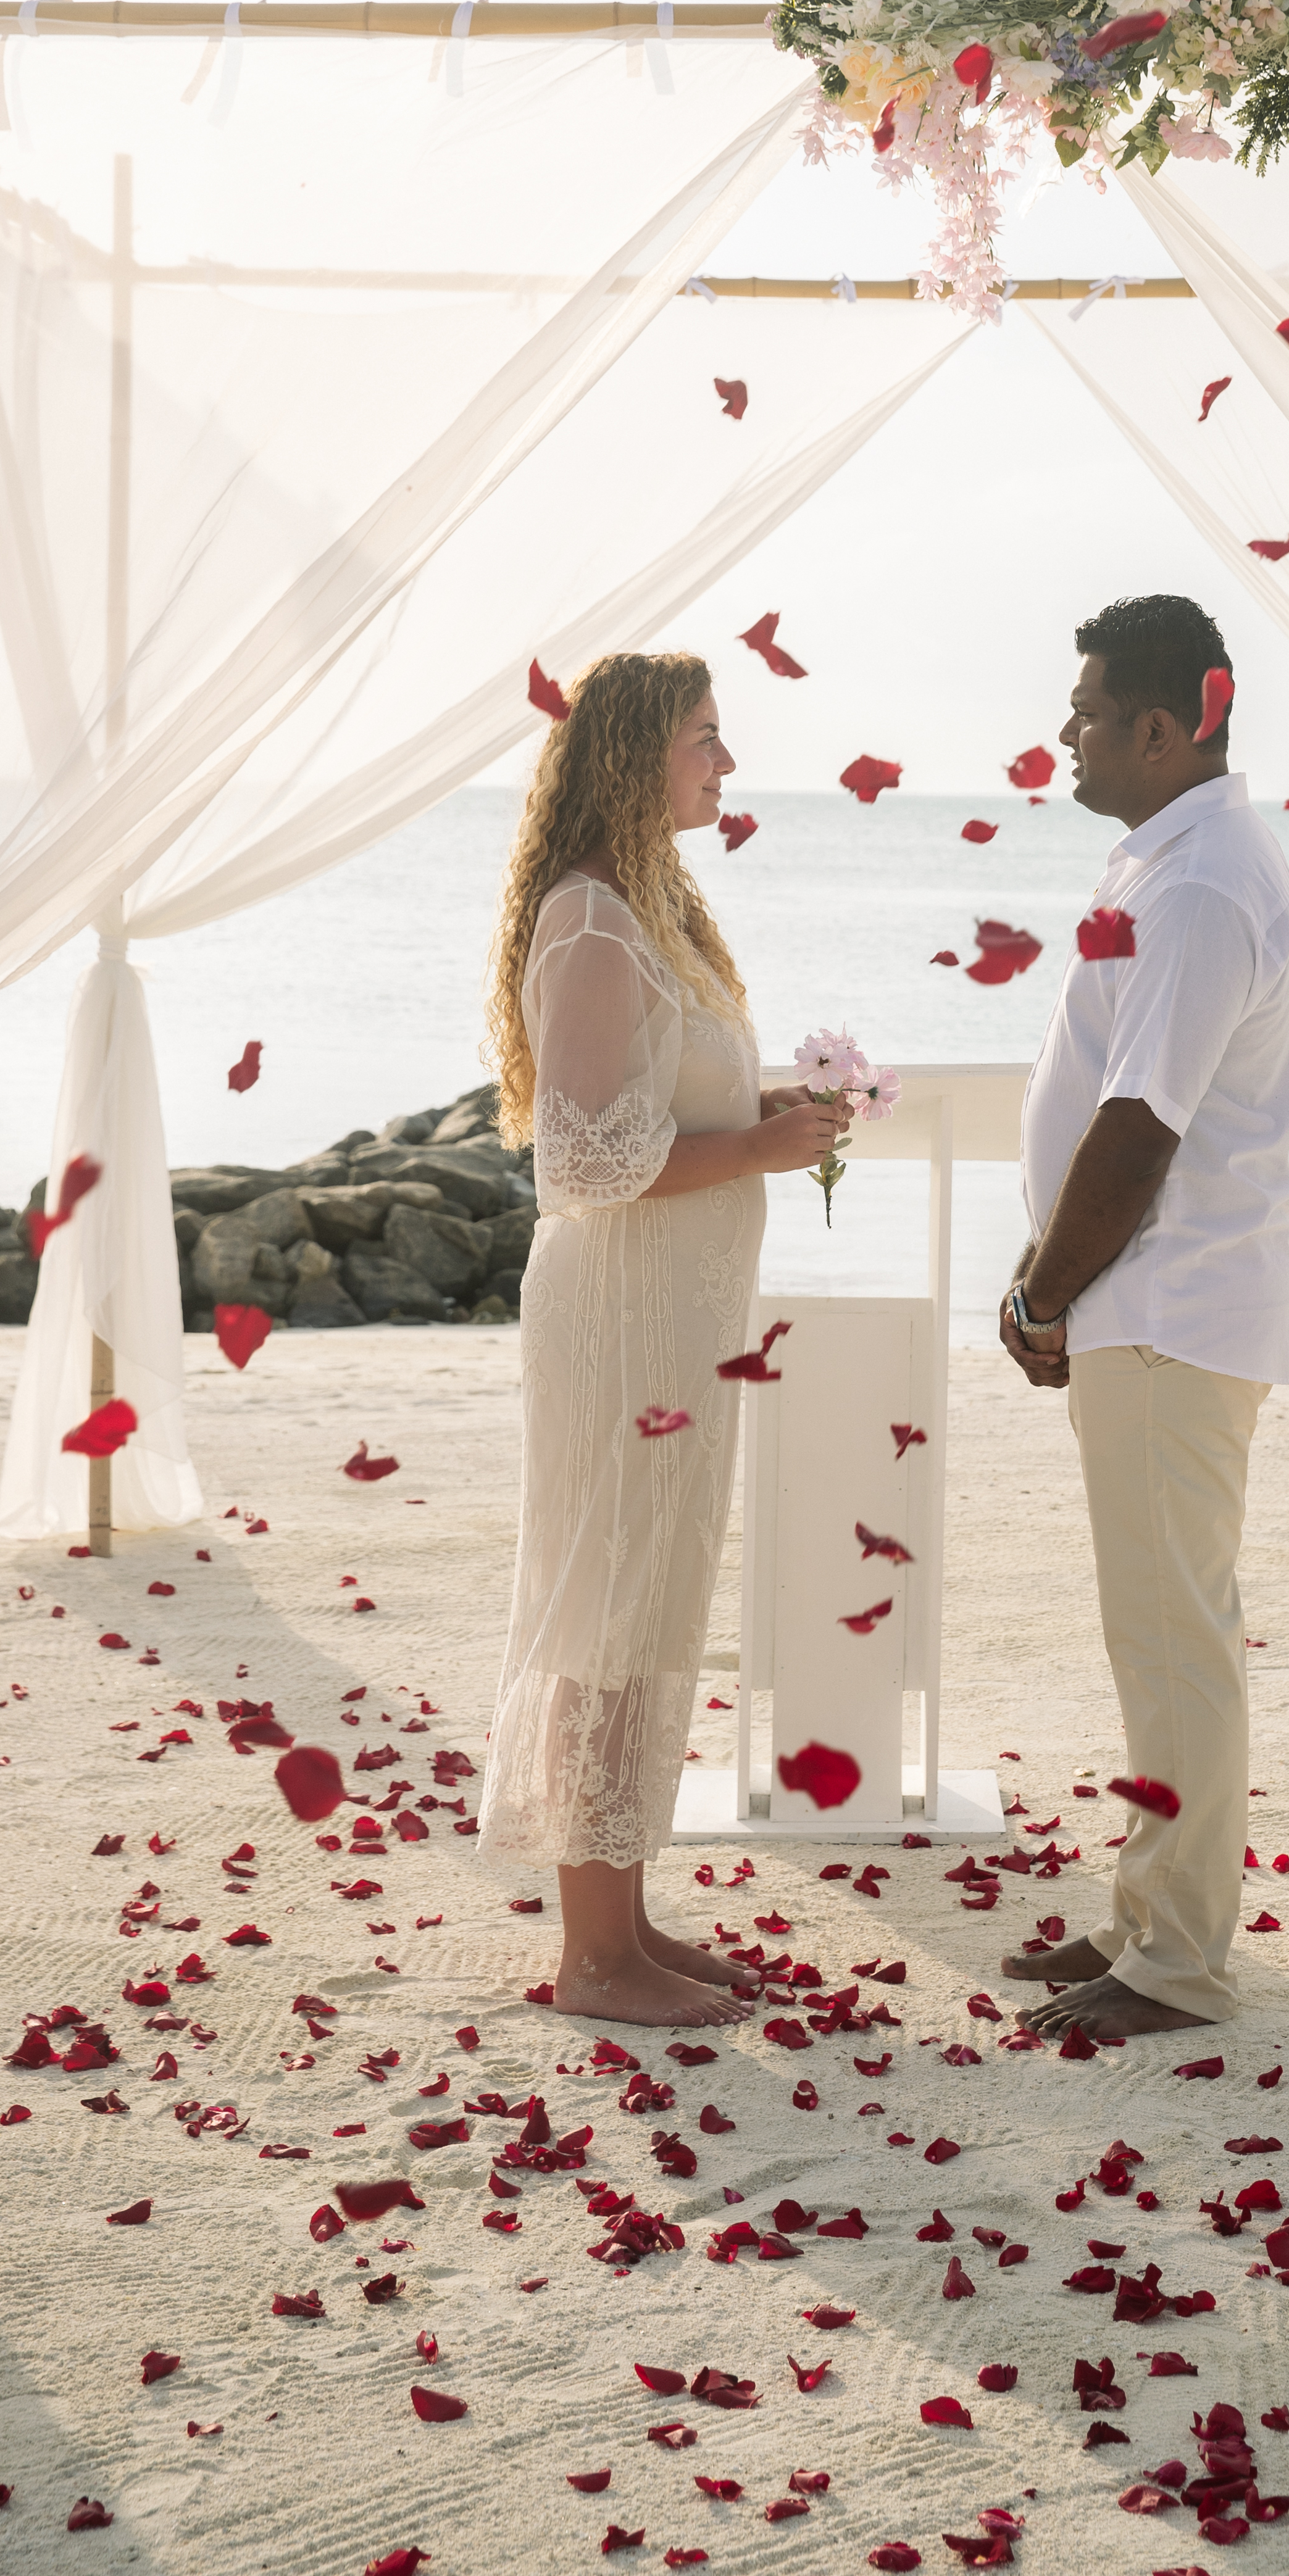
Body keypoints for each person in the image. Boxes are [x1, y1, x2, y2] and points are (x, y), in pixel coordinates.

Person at [477, 649, 845, 2027]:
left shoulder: (654, 909)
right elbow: (577, 1156)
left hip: (676, 1321)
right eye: (706, 737)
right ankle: (591, 1958)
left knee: (655, 1601)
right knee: (607, 1608)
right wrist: (760, 1141)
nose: (727, 764)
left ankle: (625, 1922)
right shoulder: (586, 921)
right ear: (639, 756)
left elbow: (659, 1099)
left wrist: (779, 1108)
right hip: (618, 1323)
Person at [999, 594, 1289, 2040]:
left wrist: (1044, 1289)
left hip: (1167, 1305)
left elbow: (1140, 1125)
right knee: (1159, 1632)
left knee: (1177, 1638)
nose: (1065, 733)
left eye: (1085, 711)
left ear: (1166, 726)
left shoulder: (1193, 887)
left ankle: (1177, 1963)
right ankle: (1149, 1920)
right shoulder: (1180, 860)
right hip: (1162, 1303)